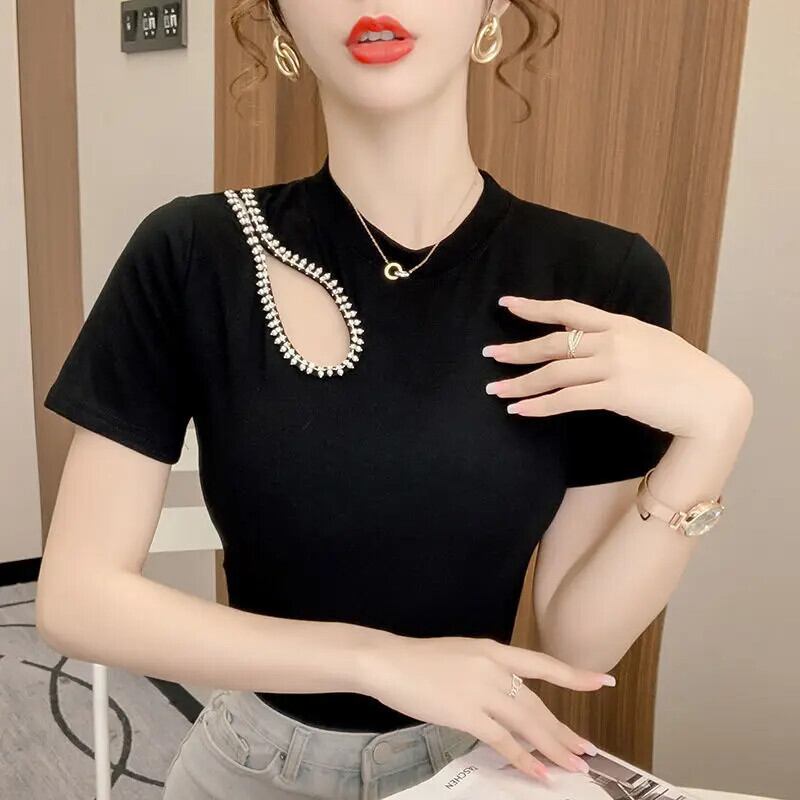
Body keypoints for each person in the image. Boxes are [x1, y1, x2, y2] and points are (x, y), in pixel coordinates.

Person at [36, 2, 754, 799]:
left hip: (471, 768)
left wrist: (716, 431)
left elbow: (580, 645)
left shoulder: (599, 277)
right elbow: (77, 598)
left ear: (491, 9)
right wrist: (376, 661)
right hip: (248, 767)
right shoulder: (191, 251)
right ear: (280, 21)